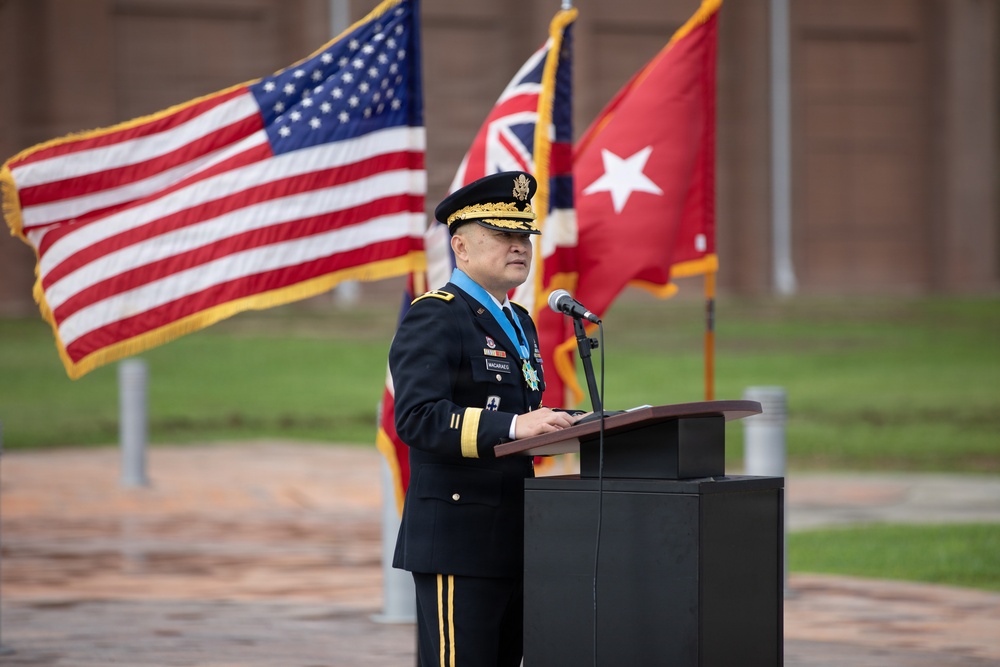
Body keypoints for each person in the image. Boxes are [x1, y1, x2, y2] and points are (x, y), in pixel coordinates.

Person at [388, 170, 578, 667]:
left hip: (513, 535)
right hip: (459, 538)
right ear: (461, 247)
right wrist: (515, 427)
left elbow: (522, 413)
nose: (519, 246)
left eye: (524, 236)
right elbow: (418, 418)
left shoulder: (519, 321)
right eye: (502, 235)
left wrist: (569, 424)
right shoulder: (436, 315)